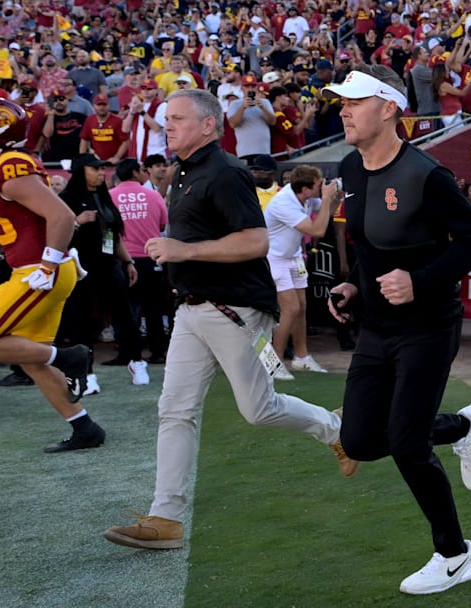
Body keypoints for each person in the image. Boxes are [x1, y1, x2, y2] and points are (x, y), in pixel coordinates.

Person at [103, 89, 357, 551]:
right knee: (174, 409)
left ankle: (336, 429)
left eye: (178, 118)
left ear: (207, 125)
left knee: (258, 410)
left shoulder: (225, 172)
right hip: (192, 308)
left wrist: (184, 250)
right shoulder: (182, 172)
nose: (168, 125)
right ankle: (166, 517)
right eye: (166, 119)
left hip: (232, 309)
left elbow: (256, 241)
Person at [325, 65, 471, 595]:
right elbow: (371, 249)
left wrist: (420, 281)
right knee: (358, 439)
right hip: (376, 327)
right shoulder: (349, 169)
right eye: (341, 103)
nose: (344, 111)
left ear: (389, 108)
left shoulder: (427, 175)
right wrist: (353, 285)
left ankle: (455, 554)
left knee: (406, 444)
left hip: (428, 326)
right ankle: (463, 428)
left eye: (354, 102)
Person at [0, 98, 102, 452]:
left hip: (39, 272)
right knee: (33, 358)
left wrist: (46, 265)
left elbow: (62, 217)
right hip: (46, 270)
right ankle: (85, 428)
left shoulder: (9, 165)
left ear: (2, 131)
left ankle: (69, 357)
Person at [56, 154, 149, 393]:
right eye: (95, 168)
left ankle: (137, 362)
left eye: (102, 169)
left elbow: (114, 235)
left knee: (125, 316)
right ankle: (86, 374)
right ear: (80, 171)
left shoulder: (105, 197)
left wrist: (128, 261)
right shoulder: (65, 199)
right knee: (83, 322)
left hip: (109, 265)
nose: (101, 173)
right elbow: (53, 233)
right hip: (79, 268)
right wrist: (77, 222)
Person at [263, 164, 336, 380]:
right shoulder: (284, 202)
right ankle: (273, 363)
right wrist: (327, 198)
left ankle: (301, 357)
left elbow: (326, 213)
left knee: (302, 307)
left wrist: (334, 198)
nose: (321, 187)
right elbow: (317, 230)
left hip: (293, 256)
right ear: (305, 189)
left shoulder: (305, 196)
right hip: (275, 259)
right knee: (291, 309)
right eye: (318, 185)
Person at [111, 158, 169, 364]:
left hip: (123, 259)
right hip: (152, 258)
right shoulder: (153, 195)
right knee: (154, 307)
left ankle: (126, 353)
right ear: (136, 173)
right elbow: (163, 224)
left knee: (124, 309)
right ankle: (158, 352)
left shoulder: (110, 197)